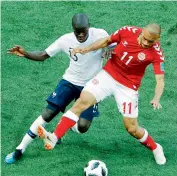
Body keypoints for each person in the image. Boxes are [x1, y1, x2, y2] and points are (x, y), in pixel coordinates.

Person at [37, 23, 166, 165]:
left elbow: (160, 80)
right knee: (82, 102)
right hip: (108, 76)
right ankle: (54, 137)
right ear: (142, 32)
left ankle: (155, 147)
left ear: (157, 39)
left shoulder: (156, 52)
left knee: (132, 128)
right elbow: (106, 41)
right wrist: (85, 49)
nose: (147, 43)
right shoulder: (127, 31)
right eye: (145, 38)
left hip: (128, 87)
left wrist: (156, 98)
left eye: (151, 41)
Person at [4, 13, 109, 164]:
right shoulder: (65, 40)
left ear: (89, 26)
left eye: (83, 31)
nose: (80, 35)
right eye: (77, 31)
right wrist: (25, 53)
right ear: (73, 29)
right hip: (70, 81)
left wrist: (111, 50)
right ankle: (20, 149)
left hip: (92, 86)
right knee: (48, 113)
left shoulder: (100, 34)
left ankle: (60, 130)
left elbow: (116, 44)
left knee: (83, 127)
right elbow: (43, 55)